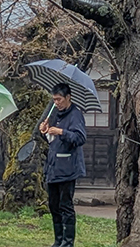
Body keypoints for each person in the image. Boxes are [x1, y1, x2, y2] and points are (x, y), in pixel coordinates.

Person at [39, 83, 86, 247]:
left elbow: (80, 138)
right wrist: (44, 131)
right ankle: (58, 239)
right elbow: (52, 141)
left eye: (59, 99)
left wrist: (61, 132)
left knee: (65, 205)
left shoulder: (75, 115)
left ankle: (68, 242)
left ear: (68, 97)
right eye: (54, 100)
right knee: (53, 205)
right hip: (53, 166)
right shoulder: (54, 114)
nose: (56, 103)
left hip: (68, 167)